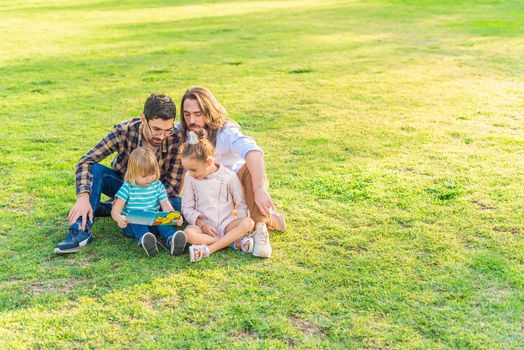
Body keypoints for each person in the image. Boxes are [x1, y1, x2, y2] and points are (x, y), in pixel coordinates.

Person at [54, 93, 184, 254]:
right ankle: (80, 231)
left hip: (155, 194)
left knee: (177, 204)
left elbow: (172, 187)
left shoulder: (176, 139)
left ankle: (118, 211)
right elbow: (86, 161)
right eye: (156, 129)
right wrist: (82, 197)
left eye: (167, 130)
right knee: (96, 170)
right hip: (123, 186)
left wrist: (146, 208)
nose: (162, 136)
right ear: (143, 119)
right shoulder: (123, 131)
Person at [179, 86, 285, 258]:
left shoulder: (225, 131)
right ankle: (235, 239)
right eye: (186, 114)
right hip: (205, 200)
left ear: (209, 112)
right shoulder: (185, 131)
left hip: (235, 191)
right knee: (190, 232)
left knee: (250, 169)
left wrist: (259, 188)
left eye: (198, 114)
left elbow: (254, 152)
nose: (191, 120)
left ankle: (260, 227)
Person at [181, 129, 255, 262]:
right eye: (187, 169)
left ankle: (208, 249)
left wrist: (241, 228)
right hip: (204, 228)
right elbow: (187, 207)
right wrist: (202, 224)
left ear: (208, 162)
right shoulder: (190, 178)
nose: (190, 173)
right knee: (188, 234)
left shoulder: (229, 176)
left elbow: (241, 203)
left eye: (193, 169)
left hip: (228, 225)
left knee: (248, 222)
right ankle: (231, 242)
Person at [111, 147, 186, 257]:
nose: (149, 178)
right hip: (132, 226)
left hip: (153, 222)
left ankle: (171, 240)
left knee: (163, 219)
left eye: (152, 173)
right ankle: (146, 240)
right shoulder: (128, 187)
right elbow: (115, 209)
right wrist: (119, 218)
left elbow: (166, 206)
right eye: (144, 176)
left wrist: (174, 217)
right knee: (136, 220)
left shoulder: (157, 186)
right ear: (133, 173)